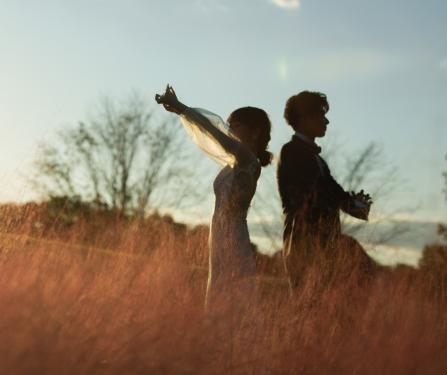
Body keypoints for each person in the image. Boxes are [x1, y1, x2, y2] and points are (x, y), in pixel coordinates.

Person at [155, 85, 272, 310]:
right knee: (220, 303)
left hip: (233, 238)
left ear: (255, 132)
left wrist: (181, 108)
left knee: (232, 306)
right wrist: (181, 111)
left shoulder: (250, 161)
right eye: (229, 124)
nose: (229, 128)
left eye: (235, 125)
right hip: (220, 236)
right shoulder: (234, 163)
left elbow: (213, 131)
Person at [276, 91, 375, 297]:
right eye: (321, 115)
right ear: (305, 119)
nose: (327, 121)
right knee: (309, 311)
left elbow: (333, 192)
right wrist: (351, 204)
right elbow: (316, 196)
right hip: (304, 247)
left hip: (324, 249)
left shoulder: (317, 159)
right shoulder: (291, 151)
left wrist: (357, 205)